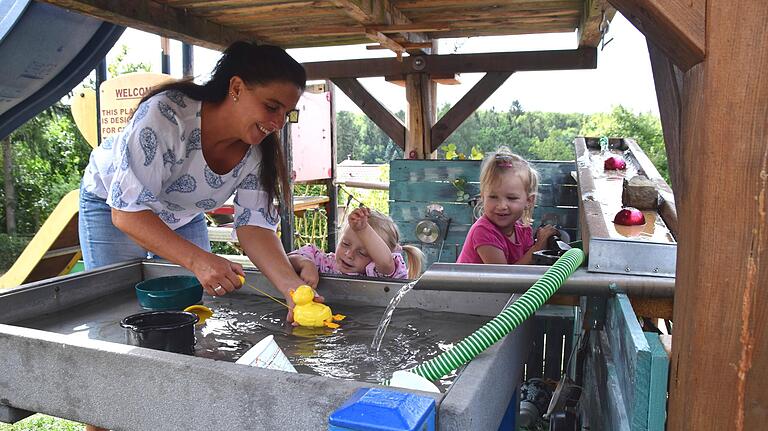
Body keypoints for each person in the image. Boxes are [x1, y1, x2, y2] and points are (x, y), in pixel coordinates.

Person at [78, 41, 310, 318]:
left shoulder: (259, 151)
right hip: (113, 206)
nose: (278, 123)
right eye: (272, 107)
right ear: (236, 88)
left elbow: (255, 226)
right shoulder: (166, 116)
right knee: (118, 311)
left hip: (182, 214)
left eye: (287, 113)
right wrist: (198, 260)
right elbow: (127, 212)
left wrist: (293, 290)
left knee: (190, 311)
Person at [457, 147, 557, 264]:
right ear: (483, 197)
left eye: (511, 198)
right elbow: (505, 279)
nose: (502, 206)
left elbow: (528, 267)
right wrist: (539, 246)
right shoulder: (483, 232)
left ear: (528, 201)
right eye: (493, 197)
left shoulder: (523, 230)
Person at [288, 207, 424, 285]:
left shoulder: (378, 273)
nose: (349, 255)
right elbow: (285, 260)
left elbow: (385, 263)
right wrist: (305, 264)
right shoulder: (325, 262)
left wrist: (363, 230)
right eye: (345, 244)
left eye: (363, 253)